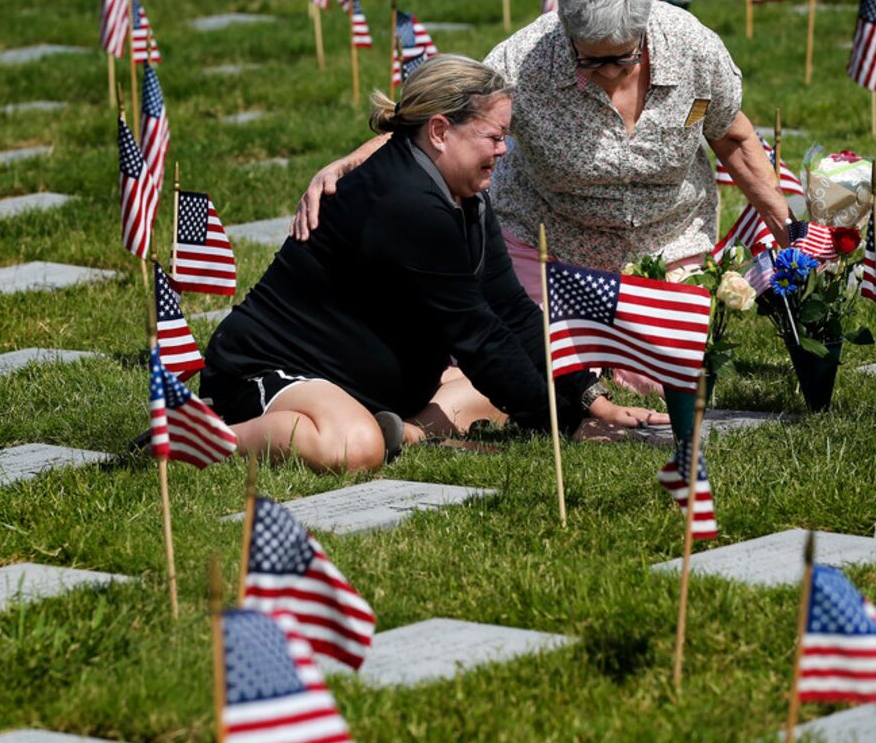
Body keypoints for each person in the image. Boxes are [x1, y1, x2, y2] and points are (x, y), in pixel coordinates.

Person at [291, 0, 793, 393]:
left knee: (664, 379)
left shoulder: (694, 51)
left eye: (622, 58)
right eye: (589, 60)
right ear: (566, 29)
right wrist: (346, 164)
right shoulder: (526, 58)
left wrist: (784, 223)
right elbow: (438, 127)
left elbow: (729, 133)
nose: (608, 72)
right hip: (549, 244)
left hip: (667, 240)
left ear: (644, 28)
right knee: (531, 369)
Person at [201, 56, 662, 474]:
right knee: (355, 448)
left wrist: (589, 398)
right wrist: (566, 427)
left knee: (496, 385)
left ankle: (409, 432)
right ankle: (200, 436)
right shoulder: (405, 201)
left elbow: (512, 311)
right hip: (268, 370)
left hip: (364, 383)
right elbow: (477, 336)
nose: (503, 151)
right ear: (440, 132)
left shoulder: (461, 193)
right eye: (494, 137)